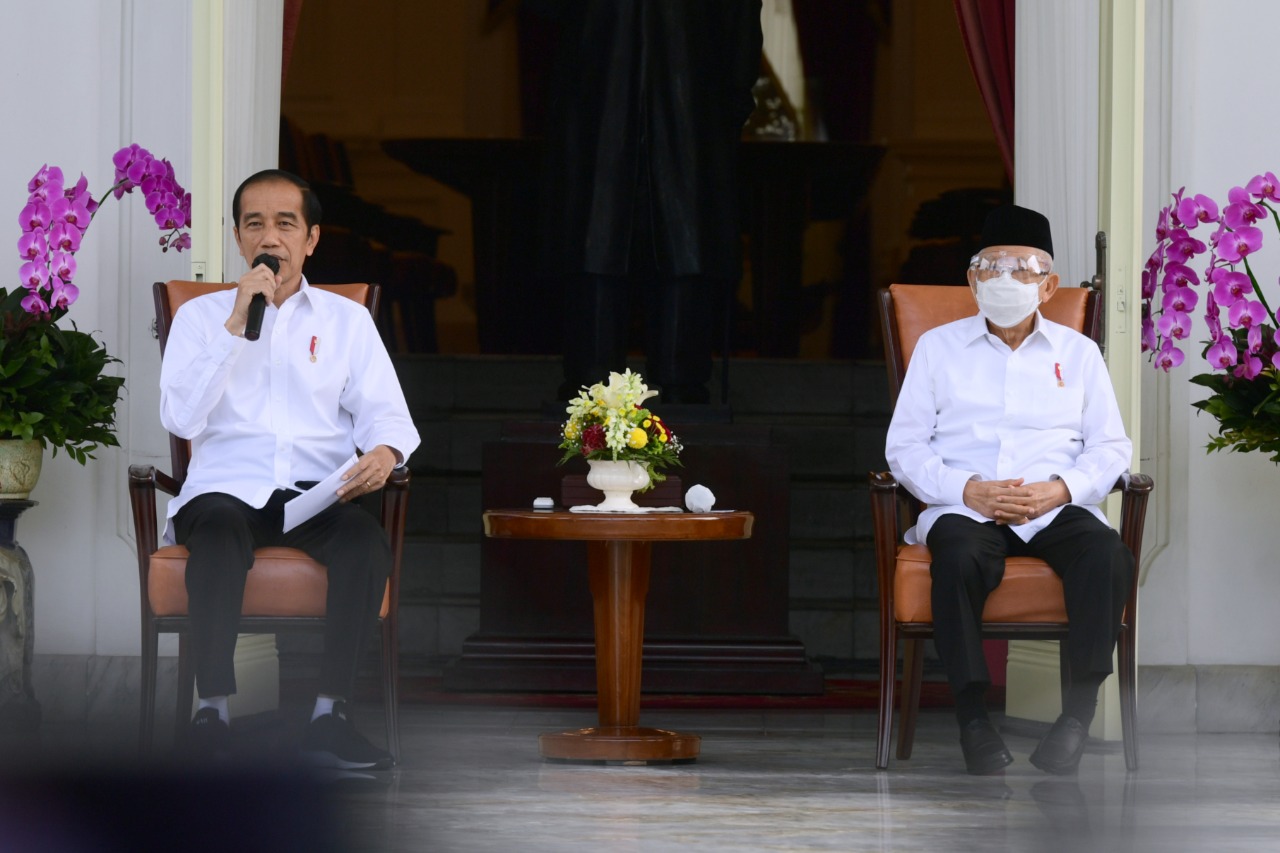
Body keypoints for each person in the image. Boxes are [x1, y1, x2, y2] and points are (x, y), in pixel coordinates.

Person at [159, 169, 420, 769]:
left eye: (285, 223)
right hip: (225, 491)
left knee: (364, 542)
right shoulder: (203, 319)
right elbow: (181, 418)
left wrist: (382, 455)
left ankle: (330, 717)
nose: (270, 237)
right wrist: (235, 326)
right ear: (237, 237)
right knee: (220, 533)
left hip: (315, 497)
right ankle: (213, 714)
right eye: (255, 224)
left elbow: (390, 418)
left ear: (311, 239)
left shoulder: (345, 321)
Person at [884, 204, 1133, 776]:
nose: (1005, 280)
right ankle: (973, 719)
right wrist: (965, 490)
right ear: (971, 280)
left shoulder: (1080, 353)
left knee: (1107, 555)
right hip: (965, 506)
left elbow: (1111, 448)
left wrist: (1060, 489)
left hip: (1052, 506)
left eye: (1022, 269)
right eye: (991, 267)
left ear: (1048, 286)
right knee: (957, 557)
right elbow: (905, 447)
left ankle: (1075, 719)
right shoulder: (938, 348)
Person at [532, 0, 763, 404]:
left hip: (611, 97)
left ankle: (606, 386)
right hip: (667, 100)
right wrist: (728, 107)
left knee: (605, 241)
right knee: (667, 244)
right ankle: (665, 383)